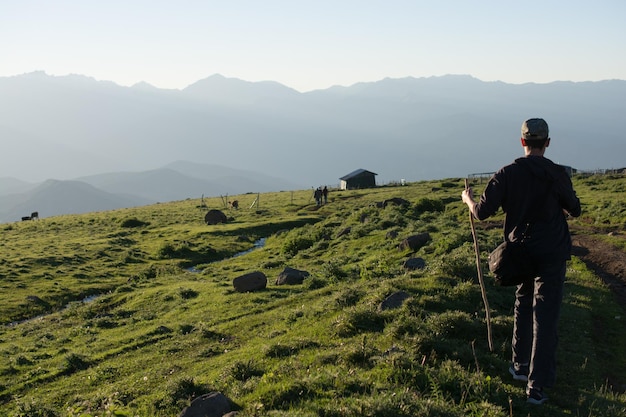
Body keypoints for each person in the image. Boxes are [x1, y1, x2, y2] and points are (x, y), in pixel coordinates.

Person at [461, 118, 581, 405]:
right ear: (547, 143)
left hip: (521, 253)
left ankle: (519, 367)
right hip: (552, 253)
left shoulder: (507, 174)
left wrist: (467, 200)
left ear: (522, 142)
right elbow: (575, 209)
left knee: (523, 304)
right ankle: (536, 388)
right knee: (546, 316)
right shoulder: (558, 173)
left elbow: (481, 212)